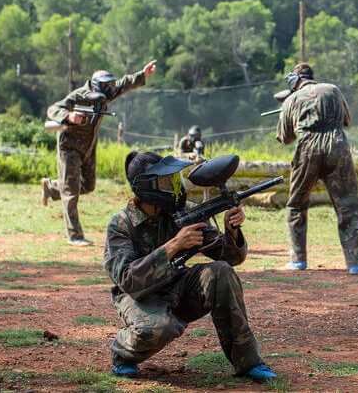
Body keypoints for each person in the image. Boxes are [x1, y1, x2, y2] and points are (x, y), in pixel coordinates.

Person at [104, 151, 276, 382]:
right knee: (160, 328)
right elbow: (128, 281)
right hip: (138, 297)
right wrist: (174, 245)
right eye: (167, 182)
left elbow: (229, 257)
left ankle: (248, 362)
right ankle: (123, 353)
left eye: (176, 180)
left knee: (221, 272)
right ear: (147, 187)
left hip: (177, 284)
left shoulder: (184, 212)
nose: (175, 187)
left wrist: (232, 230)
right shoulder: (122, 224)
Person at [41, 61, 157, 246]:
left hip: (88, 146)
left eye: (110, 84)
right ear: (96, 85)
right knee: (71, 191)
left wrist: (143, 74)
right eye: (106, 84)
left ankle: (52, 187)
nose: (110, 87)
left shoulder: (106, 94)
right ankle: (75, 235)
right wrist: (69, 116)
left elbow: (123, 84)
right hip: (69, 147)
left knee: (88, 186)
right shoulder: (79, 95)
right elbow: (53, 109)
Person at [276, 64, 358, 274]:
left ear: (294, 81)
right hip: (337, 145)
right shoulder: (333, 90)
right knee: (348, 204)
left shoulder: (291, 100)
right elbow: (346, 120)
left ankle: (298, 261)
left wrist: (289, 110)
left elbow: (285, 138)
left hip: (307, 148)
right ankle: (357, 264)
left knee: (296, 205)